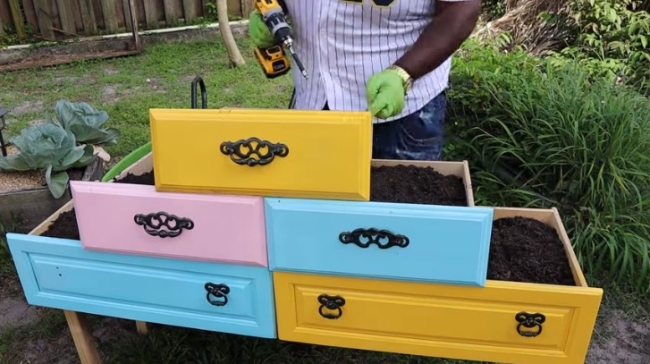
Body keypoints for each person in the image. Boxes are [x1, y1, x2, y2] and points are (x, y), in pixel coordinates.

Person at [248, 0, 481, 161]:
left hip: (401, 112)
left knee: (399, 221)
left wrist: (403, 73)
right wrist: (270, 13)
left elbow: (461, 7)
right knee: (317, 212)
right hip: (314, 99)